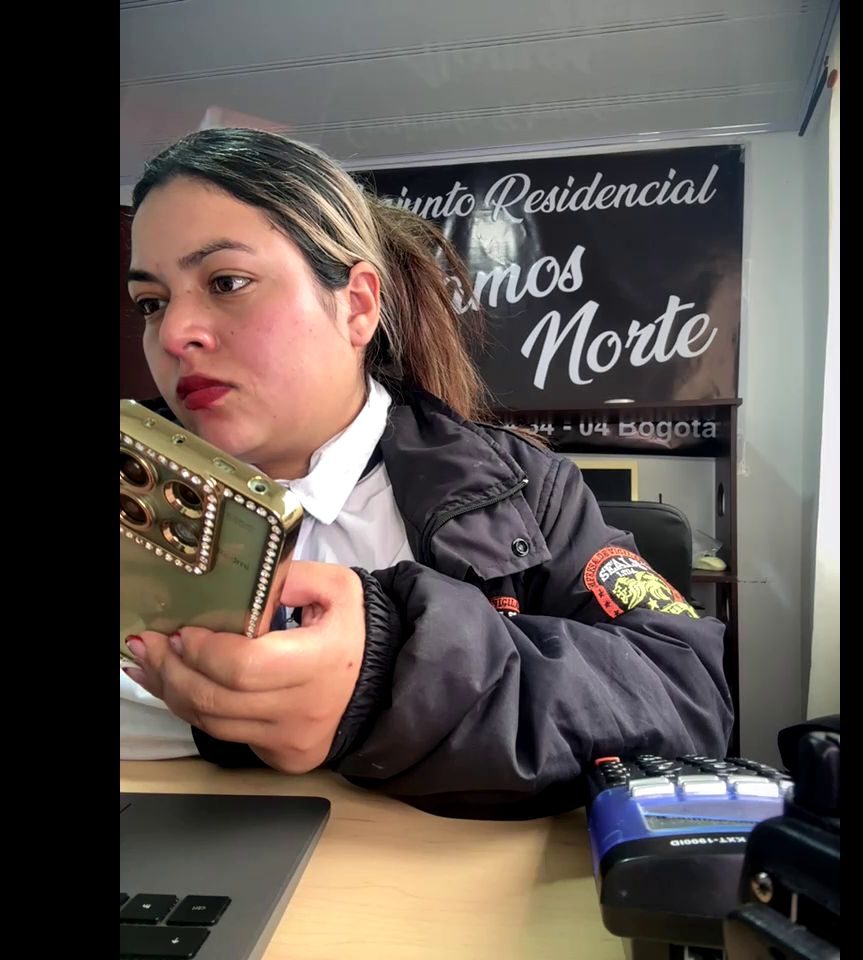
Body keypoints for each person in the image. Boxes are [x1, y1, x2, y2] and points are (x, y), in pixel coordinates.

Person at [120, 127, 733, 818]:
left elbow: (687, 698)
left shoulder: (521, 491)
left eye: (227, 282)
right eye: (152, 303)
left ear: (356, 305)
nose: (175, 335)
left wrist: (385, 676)